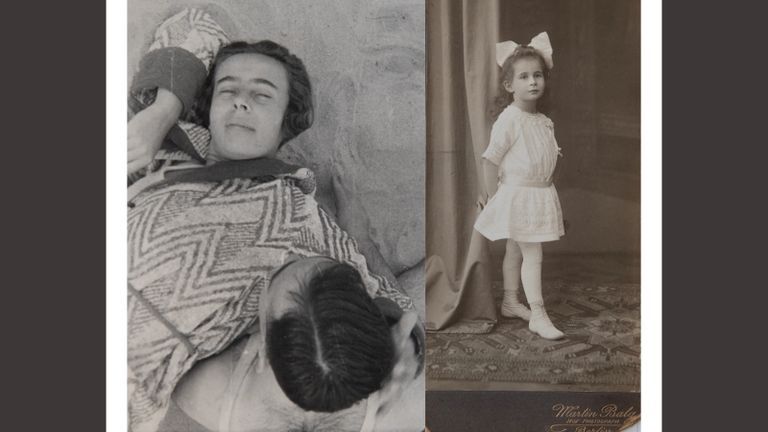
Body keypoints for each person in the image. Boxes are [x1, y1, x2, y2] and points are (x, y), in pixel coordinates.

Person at [126, 8, 423, 432]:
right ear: (208, 110)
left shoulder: (292, 215)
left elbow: (372, 296)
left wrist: (407, 346)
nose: (241, 100)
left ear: (286, 124)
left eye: (263, 95)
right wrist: (159, 114)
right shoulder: (159, 145)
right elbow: (195, 21)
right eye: (228, 90)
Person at [474, 32, 566, 340]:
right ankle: (538, 314)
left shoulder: (541, 120)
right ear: (509, 86)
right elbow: (490, 160)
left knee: (515, 249)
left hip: (538, 193)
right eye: (524, 77)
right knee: (532, 253)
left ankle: (511, 301)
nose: (532, 82)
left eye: (537, 75)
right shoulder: (509, 119)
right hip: (517, 194)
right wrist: (491, 198)